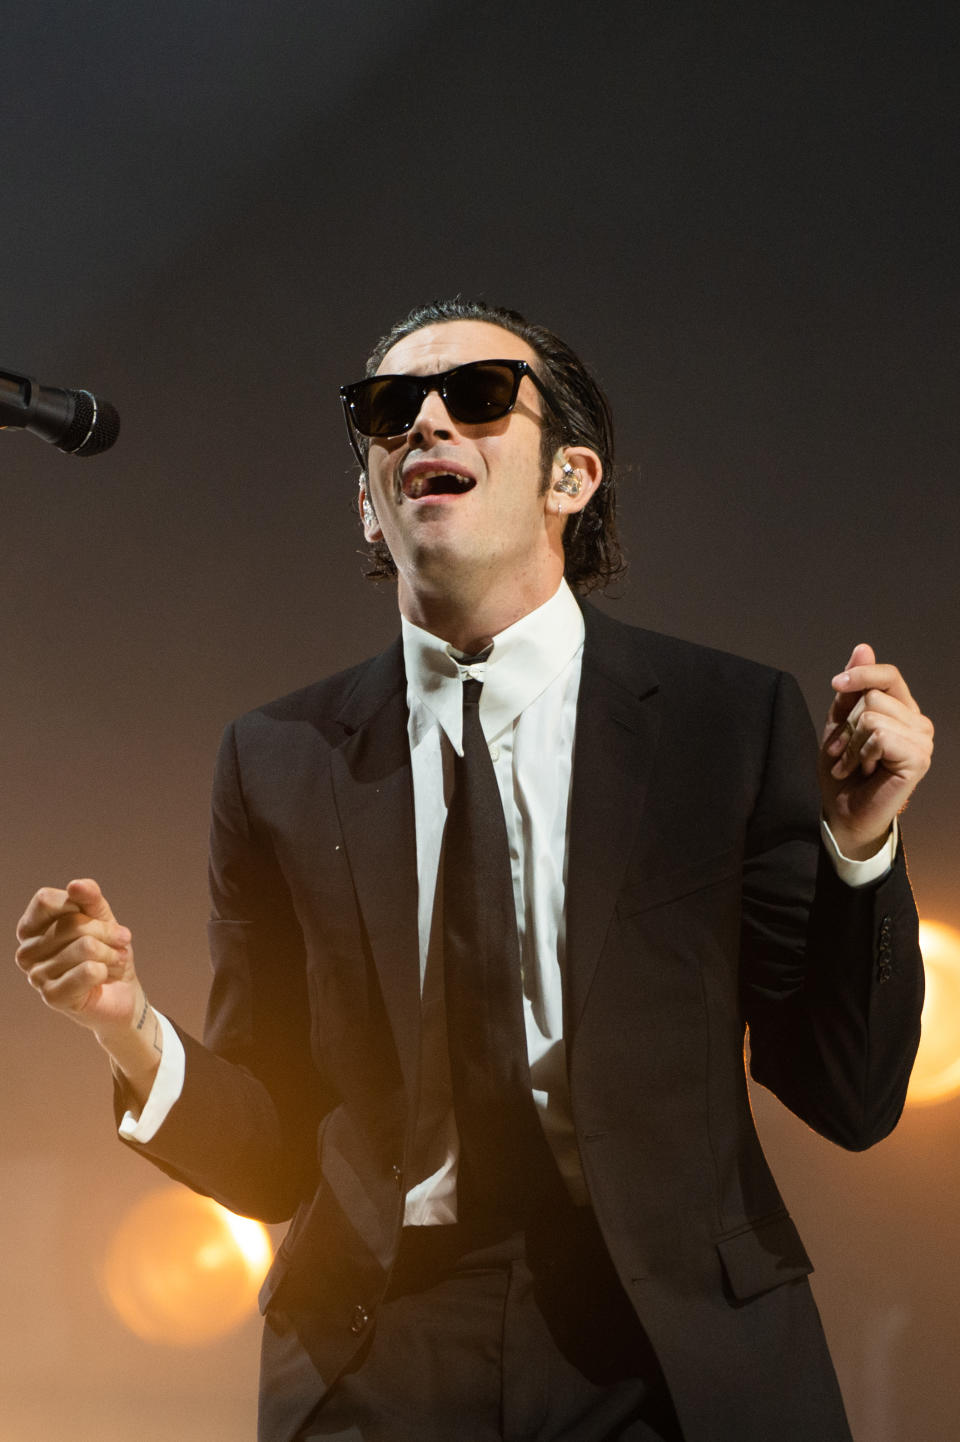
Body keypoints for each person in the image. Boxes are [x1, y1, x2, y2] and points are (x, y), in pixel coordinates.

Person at [16, 300, 933, 1442]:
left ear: (572, 477)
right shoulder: (276, 758)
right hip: (381, 1340)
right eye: (388, 410)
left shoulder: (721, 722)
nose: (426, 423)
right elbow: (268, 1152)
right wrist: (125, 1023)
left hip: (665, 1342)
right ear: (367, 500)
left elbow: (849, 1093)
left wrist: (858, 844)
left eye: (480, 396)